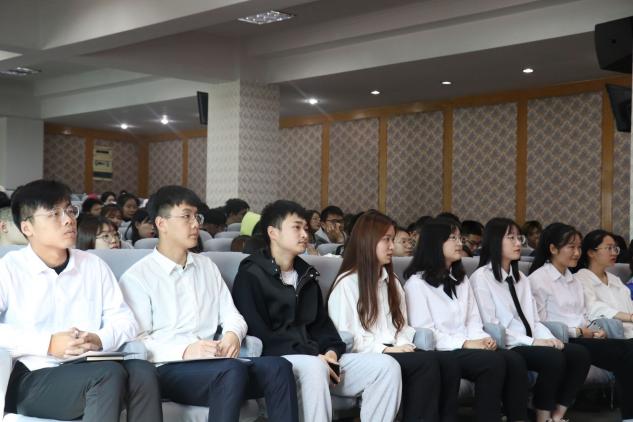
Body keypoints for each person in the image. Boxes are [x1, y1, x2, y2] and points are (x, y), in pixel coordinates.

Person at [119, 185, 298, 422]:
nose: (196, 224)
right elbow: (136, 342)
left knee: (279, 367)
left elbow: (233, 316)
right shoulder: (138, 277)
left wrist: (232, 335)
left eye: (197, 217)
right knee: (231, 371)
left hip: (215, 364)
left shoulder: (206, 267)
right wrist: (186, 350)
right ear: (162, 224)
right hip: (167, 368)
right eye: (186, 216)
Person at [0, 179, 162, 422]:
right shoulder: (8, 269)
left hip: (91, 363)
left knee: (143, 373)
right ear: (27, 227)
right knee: (107, 375)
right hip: (34, 375)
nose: (68, 220)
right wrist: (48, 343)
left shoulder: (94, 265)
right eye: (54, 214)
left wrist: (99, 338)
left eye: (69, 210)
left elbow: (125, 321)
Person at [232, 201, 401, 422]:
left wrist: (331, 352)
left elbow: (322, 326)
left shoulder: (306, 275)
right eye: (296, 227)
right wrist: (312, 355)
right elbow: (259, 333)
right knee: (315, 368)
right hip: (279, 362)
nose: (305, 234)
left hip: (317, 359)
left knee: (386, 367)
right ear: (273, 232)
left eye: (305, 228)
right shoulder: (251, 275)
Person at [328, 210, 457, 422]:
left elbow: (402, 325)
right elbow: (348, 337)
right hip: (365, 356)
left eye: (392, 239)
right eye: (386, 239)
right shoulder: (347, 284)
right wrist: (386, 349)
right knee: (425, 364)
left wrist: (403, 344)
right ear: (368, 241)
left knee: (448, 362)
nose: (391, 246)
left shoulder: (392, 281)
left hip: (394, 350)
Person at [404, 218, 527, 422]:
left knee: (514, 360)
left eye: (460, 238)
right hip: (443, 350)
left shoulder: (461, 280)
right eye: (452, 238)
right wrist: (466, 343)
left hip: (466, 346)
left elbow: (472, 320)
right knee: (492, 362)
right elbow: (425, 332)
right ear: (435, 243)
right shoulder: (417, 284)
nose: (459, 243)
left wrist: (482, 339)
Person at [470, 217, 590, 422]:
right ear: (495, 241)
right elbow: (491, 326)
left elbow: (533, 320)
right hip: (508, 343)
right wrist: (534, 342)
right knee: (553, 358)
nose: (518, 243)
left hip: (530, 340)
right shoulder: (481, 278)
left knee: (579, 354)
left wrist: (549, 338)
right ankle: (542, 416)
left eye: (519, 238)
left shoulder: (521, 279)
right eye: (511, 238)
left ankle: (556, 415)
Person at [529, 223, 633, 422]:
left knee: (629, 348)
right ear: (553, 249)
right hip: (562, 338)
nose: (577, 253)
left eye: (578, 247)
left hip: (585, 337)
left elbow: (584, 315)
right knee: (627, 351)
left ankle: (629, 415)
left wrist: (596, 329)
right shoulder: (539, 279)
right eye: (571, 247)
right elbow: (539, 322)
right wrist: (577, 331)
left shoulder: (573, 280)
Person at [574, 229, 633, 338]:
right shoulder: (580, 278)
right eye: (609, 248)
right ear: (591, 253)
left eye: (615, 248)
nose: (614, 253)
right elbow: (593, 308)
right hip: (612, 335)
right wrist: (629, 317)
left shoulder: (615, 280)